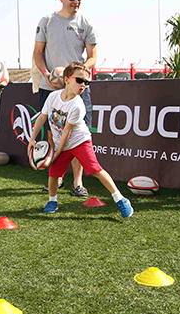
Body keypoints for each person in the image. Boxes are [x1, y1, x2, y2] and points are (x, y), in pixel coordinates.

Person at [28, 63, 133, 218]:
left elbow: (67, 133)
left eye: (86, 82)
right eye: (79, 80)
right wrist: (32, 139)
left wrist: (56, 153)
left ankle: (121, 200)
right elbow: (42, 117)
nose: (83, 84)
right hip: (60, 142)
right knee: (54, 174)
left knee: (95, 169)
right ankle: (52, 201)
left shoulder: (78, 105)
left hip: (79, 141)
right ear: (66, 80)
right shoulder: (52, 97)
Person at [32, 0, 97, 198]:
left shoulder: (86, 23)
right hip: (49, 87)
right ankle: (57, 178)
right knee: (53, 135)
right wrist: (46, 74)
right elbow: (37, 54)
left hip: (78, 89)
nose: (76, 1)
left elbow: (92, 58)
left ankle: (77, 183)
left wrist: (77, 75)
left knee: (79, 136)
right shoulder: (47, 21)